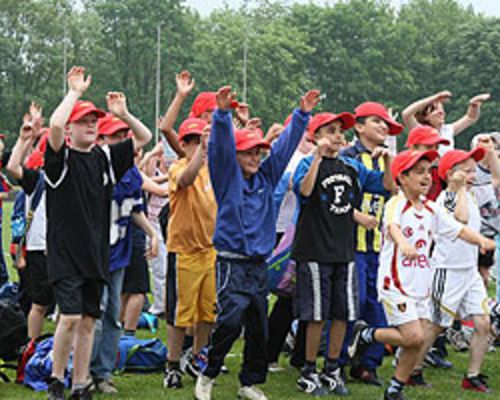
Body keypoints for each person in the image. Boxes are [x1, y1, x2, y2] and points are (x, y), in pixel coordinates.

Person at [194, 86, 320, 400]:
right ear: (236, 156)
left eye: (256, 152)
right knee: (229, 321)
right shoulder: (227, 177)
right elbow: (221, 150)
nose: (254, 157)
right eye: (248, 152)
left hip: (257, 267)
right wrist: (222, 115)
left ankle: (248, 382)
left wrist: (302, 115)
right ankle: (208, 373)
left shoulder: (266, 177)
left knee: (258, 327)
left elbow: (284, 149)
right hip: (231, 263)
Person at [348, 149, 496, 400]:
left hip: (421, 284)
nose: (427, 177)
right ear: (402, 178)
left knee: (417, 341)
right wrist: (403, 243)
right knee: (414, 336)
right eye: (419, 172)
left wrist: (481, 240)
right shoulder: (397, 202)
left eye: (429, 171)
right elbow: (393, 226)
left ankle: (395, 388)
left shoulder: (430, 208)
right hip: (395, 282)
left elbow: (457, 229)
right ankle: (365, 334)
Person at [46, 66, 151, 400]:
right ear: (72, 127)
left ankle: (80, 384)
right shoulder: (60, 160)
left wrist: (123, 113)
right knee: (71, 318)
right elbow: (55, 125)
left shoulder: (104, 157)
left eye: (95, 121)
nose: (92, 125)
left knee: (90, 320)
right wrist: (74, 92)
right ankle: (55, 379)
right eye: (85, 121)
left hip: (96, 253)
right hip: (65, 252)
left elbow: (145, 137)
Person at [292, 110, 396, 396]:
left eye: (340, 131)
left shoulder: (351, 166)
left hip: (344, 250)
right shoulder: (306, 163)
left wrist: (387, 162)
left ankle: (332, 367)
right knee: (316, 315)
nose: (338, 136)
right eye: (331, 131)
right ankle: (309, 369)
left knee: (343, 313)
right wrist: (316, 155)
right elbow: (305, 190)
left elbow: (387, 187)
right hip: (314, 249)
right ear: (315, 136)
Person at [90, 114, 157, 394]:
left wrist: (153, 234)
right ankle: (80, 368)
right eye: (116, 136)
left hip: (119, 253)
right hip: (92, 254)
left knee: (112, 314)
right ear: (102, 141)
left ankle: (102, 372)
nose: (122, 141)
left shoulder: (130, 172)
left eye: (123, 136)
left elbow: (134, 209)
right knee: (93, 313)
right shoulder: (94, 167)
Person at [338, 102, 403, 386]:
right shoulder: (346, 157)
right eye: (378, 122)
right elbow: (332, 199)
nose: (384, 128)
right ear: (359, 126)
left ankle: (368, 364)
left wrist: (389, 161)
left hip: (381, 246)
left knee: (379, 307)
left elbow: (392, 189)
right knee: (351, 304)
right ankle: (336, 362)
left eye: (386, 124)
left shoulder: (387, 158)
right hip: (351, 245)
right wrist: (356, 216)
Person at [418, 148, 492, 393]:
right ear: (450, 173)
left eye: (473, 170)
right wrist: (458, 187)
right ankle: (411, 368)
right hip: (447, 270)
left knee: (483, 323)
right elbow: (459, 219)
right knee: (436, 325)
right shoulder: (446, 197)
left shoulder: (469, 195)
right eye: (466, 170)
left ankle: (472, 375)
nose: (472, 175)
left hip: (469, 270)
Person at [6, 111, 52, 340]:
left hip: (63, 249)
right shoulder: (37, 180)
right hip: (36, 249)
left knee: (66, 305)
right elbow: (18, 221)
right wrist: (17, 253)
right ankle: (30, 345)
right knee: (35, 300)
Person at [402, 91, 490, 155]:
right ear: (424, 116)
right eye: (435, 110)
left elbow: (471, 117)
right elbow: (406, 114)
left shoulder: (448, 130)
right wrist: (435, 98)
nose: (441, 112)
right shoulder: (419, 130)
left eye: (442, 109)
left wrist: (474, 104)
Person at [470, 133, 500, 287]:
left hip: (492, 232)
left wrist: (491, 151)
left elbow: (497, 176)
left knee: (485, 274)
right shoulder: (473, 173)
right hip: (473, 232)